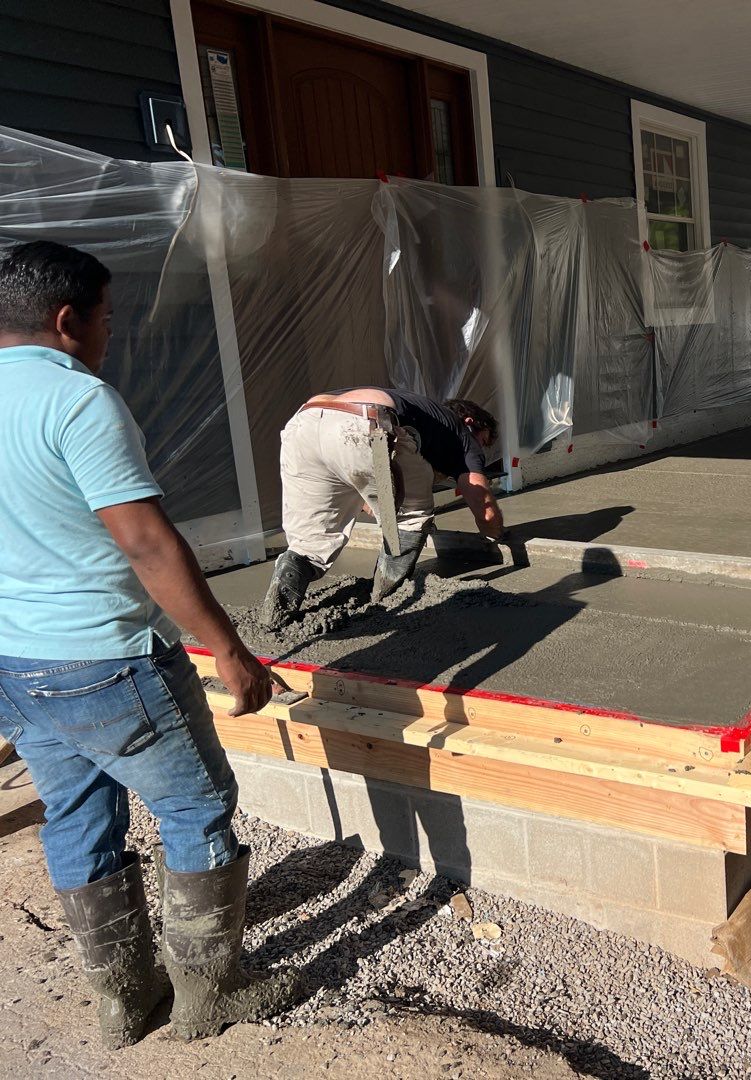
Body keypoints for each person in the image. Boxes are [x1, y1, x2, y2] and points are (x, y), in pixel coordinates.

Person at [0, 241, 302, 1046]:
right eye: (106, 318)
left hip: (17, 664)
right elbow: (146, 543)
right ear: (67, 322)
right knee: (197, 807)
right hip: (107, 657)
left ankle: (123, 1001)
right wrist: (227, 648)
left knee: (72, 814)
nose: (109, 334)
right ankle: (210, 995)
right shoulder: (77, 401)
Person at [261, 386, 505, 628]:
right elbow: (484, 508)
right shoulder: (462, 433)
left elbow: (370, 496)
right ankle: (384, 598)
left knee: (309, 542)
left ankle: (274, 616)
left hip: (304, 424)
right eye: (482, 441)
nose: (479, 450)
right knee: (410, 517)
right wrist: (495, 536)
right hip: (364, 423)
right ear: (470, 422)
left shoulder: (422, 414)